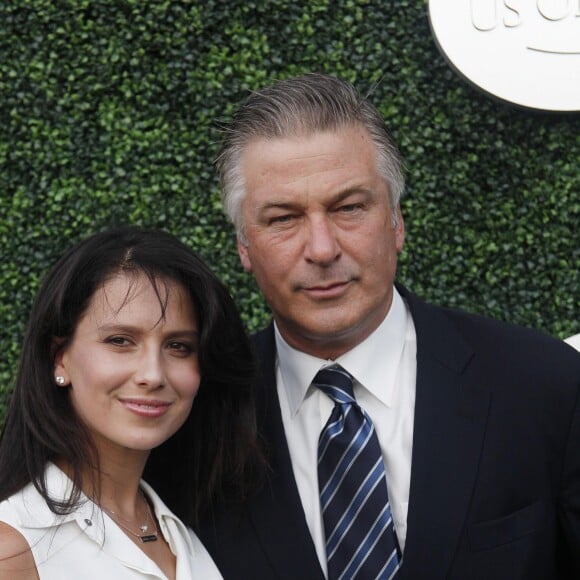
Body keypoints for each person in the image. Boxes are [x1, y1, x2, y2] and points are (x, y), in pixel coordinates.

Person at [196, 73, 580, 579]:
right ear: (244, 245)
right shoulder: (197, 417)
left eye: (349, 207)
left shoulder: (546, 383)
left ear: (396, 222)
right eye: (283, 218)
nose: (322, 249)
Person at [0, 226, 262, 579]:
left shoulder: (182, 525)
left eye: (178, 346)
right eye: (120, 340)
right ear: (59, 359)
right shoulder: (14, 546)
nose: (153, 374)